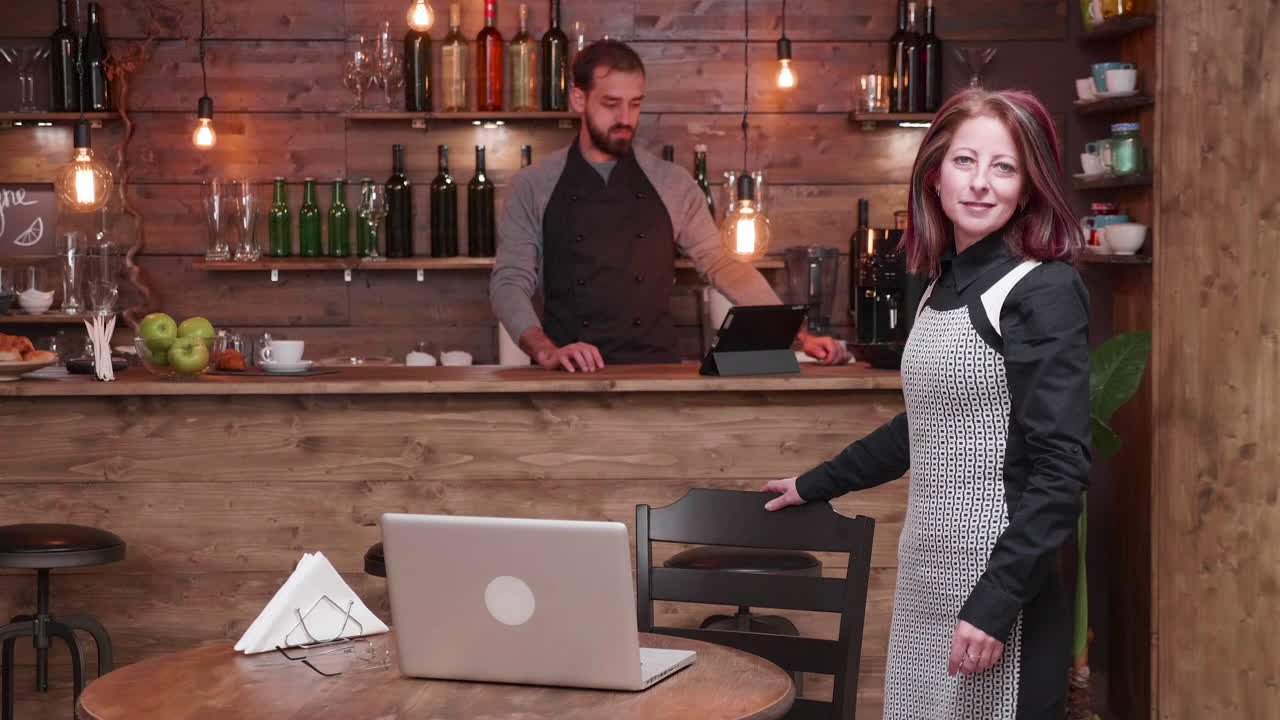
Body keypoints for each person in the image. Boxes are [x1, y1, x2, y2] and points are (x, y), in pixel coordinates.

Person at [762, 88, 1091, 719]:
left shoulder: (1043, 289)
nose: (981, 184)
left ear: (1028, 186)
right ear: (934, 173)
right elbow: (929, 428)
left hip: (999, 593)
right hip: (928, 578)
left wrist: (994, 603)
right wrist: (814, 483)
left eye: (1005, 167)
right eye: (965, 161)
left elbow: (1061, 469)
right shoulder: (942, 279)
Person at [490, 40, 848, 371]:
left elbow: (723, 264)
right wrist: (545, 350)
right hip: (569, 375)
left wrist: (799, 334)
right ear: (579, 100)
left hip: (658, 372)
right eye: (611, 104)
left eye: (636, 103)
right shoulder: (534, 185)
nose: (625, 119)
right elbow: (509, 281)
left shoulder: (671, 183)